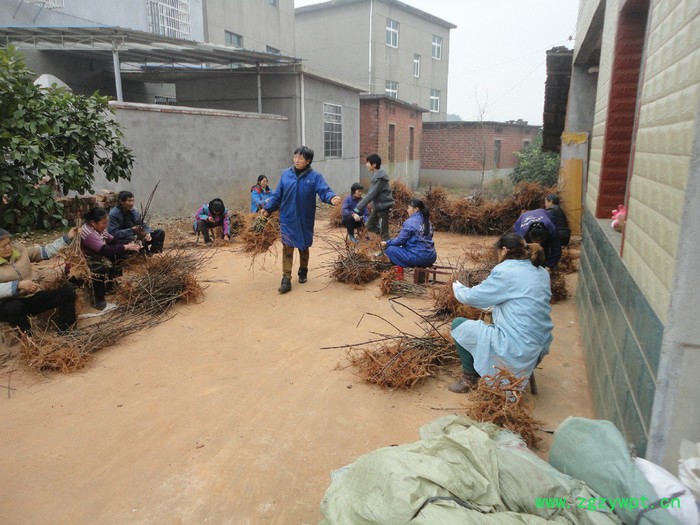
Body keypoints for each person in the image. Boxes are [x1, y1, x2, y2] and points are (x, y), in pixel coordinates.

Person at [448, 233, 553, 393]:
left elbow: (471, 297)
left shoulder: (506, 271)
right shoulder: (542, 271)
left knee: (459, 325)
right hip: (539, 347)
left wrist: (457, 287)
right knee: (490, 318)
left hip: (517, 347)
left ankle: (469, 377)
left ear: (504, 250)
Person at [263, 146, 341, 294]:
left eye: (301, 158)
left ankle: (303, 270)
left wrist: (331, 198)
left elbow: (324, 190)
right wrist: (268, 208)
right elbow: (277, 195)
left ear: (308, 161)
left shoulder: (315, 177)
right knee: (287, 245)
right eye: (295, 157)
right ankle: (286, 278)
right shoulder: (286, 174)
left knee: (304, 246)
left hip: (305, 217)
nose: (297, 160)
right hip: (288, 217)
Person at [0, 227, 78, 333]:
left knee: (67, 292)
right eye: (3, 246)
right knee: (13, 308)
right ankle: (28, 338)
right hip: (8, 303)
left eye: (9, 243)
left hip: (32, 296)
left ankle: (66, 330)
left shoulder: (19, 250)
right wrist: (18, 285)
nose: (8, 247)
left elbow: (45, 252)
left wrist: (67, 238)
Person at [81, 207, 141, 309]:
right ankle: (98, 301)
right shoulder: (89, 234)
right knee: (101, 266)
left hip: (96, 253)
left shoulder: (99, 229)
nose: (106, 226)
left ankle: (112, 284)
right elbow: (105, 250)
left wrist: (129, 245)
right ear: (93, 223)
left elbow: (112, 241)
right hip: (85, 260)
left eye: (106, 223)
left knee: (120, 252)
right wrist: (125, 247)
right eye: (104, 223)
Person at [380, 199, 437, 273]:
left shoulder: (410, 222)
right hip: (431, 256)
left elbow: (400, 240)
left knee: (390, 249)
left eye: (409, 208)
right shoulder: (427, 221)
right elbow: (429, 236)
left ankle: (398, 273)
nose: (407, 210)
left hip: (418, 257)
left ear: (416, 209)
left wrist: (387, 243)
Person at [108, 190, 165, 254]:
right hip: (125, 240)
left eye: (133, 200)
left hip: (138, 236)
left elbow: (142, 224)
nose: (132, 203)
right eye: (129, 201)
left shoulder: (134, 211)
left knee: (160, 233)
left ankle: (154, 254)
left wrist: (148, 232)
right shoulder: (113, 214)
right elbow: (113, 234)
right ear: (121, 202)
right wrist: (132, 230)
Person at [353, 154, 394, 240]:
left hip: (383, 208)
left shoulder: (380, 178)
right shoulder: (376, 176)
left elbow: (371, 194)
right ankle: (387, 239)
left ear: (374, 164)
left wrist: (357, 208)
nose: (366, 164)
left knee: (384, 232)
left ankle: (387, 248)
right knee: (369, 226)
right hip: (377, 208)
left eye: (368, 162)